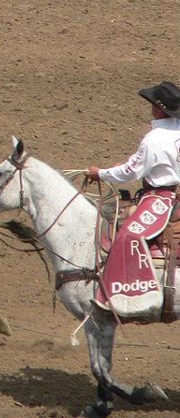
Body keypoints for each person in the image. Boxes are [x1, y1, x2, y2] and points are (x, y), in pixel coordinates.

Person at [85, 81, 180, 317]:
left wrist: (101, 173)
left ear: (158, 109)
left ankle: (135, 294)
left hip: (161, 197)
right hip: (172, 191)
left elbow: (130, 172)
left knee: (128, 234)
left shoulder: (154, 139)